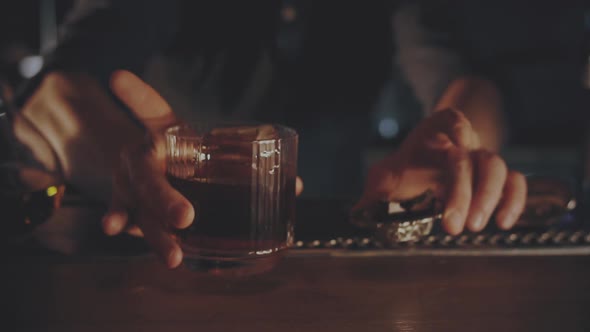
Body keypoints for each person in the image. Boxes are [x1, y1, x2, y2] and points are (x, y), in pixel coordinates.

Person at [2, 1, 527, 268]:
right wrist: (135, 164)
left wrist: (461, 144)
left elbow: (467, 78)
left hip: (331, 264)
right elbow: (55, 91)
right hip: (172, 258)